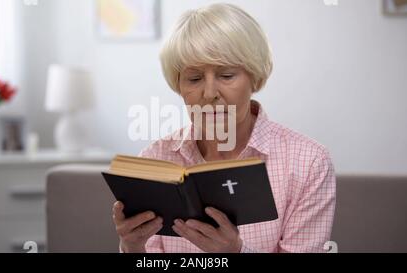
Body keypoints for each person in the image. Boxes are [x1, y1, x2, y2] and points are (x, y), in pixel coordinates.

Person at [112, 3, 336, 253]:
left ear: (255, 78)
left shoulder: (309, 163)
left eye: (227, 75)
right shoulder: (155, 160)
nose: (209, 93)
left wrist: (235, 252)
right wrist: (132, 247)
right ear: (178, 86)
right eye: (194, 79)